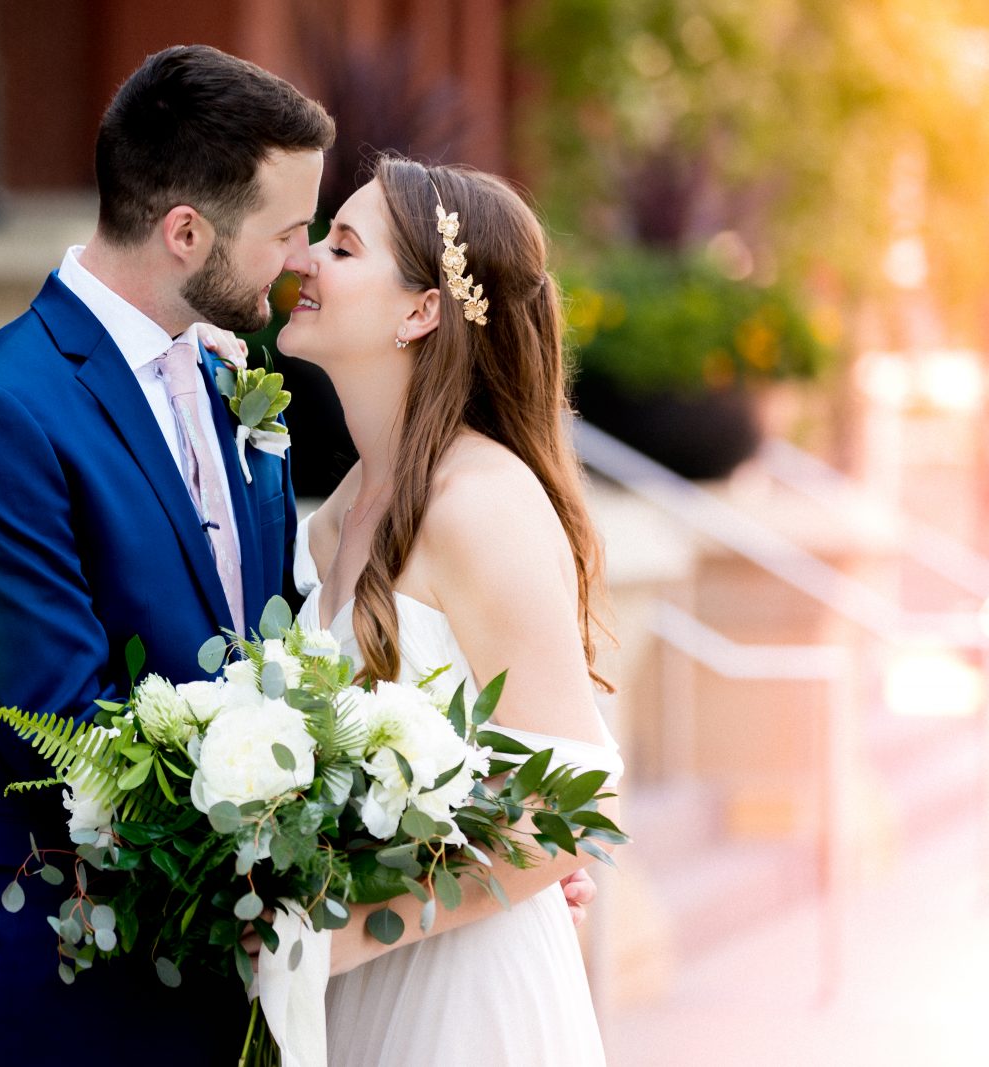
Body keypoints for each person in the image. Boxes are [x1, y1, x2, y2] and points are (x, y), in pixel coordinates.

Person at [0, 45, 332, 1066]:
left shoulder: (234, 386)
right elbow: (64, 731)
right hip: (44, 985)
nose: (300, 261)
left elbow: (275, 642)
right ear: (185, 232)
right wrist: (326, 834)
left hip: (212, 981)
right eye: (287, 232)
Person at [271, 155, 625, 1065]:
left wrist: (343, 935)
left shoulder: (479, 503)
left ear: (421, 309)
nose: (305, 258)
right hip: (353, 995)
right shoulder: (338, 514)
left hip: (463, 1002)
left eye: (343, 246)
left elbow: (578, 808)